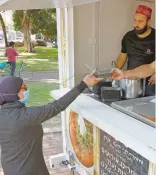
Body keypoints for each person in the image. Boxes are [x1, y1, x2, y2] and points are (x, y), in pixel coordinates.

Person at [0, 74, 103, 175]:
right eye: (24, 88)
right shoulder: (25, 116)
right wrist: (83, 84)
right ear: (14, 94)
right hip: (28, 170)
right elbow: (56, 106)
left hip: (11, 168)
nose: (27, 90)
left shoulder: (4, 114)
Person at [115, 5, 155, 95]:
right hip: (130, 81)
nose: (136, 24)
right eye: (135, 20)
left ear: (149, 22)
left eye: (140, 21)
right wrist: (116, 70)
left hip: (150, 83)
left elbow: (152, 67)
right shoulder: (128, 37)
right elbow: (122, 56)